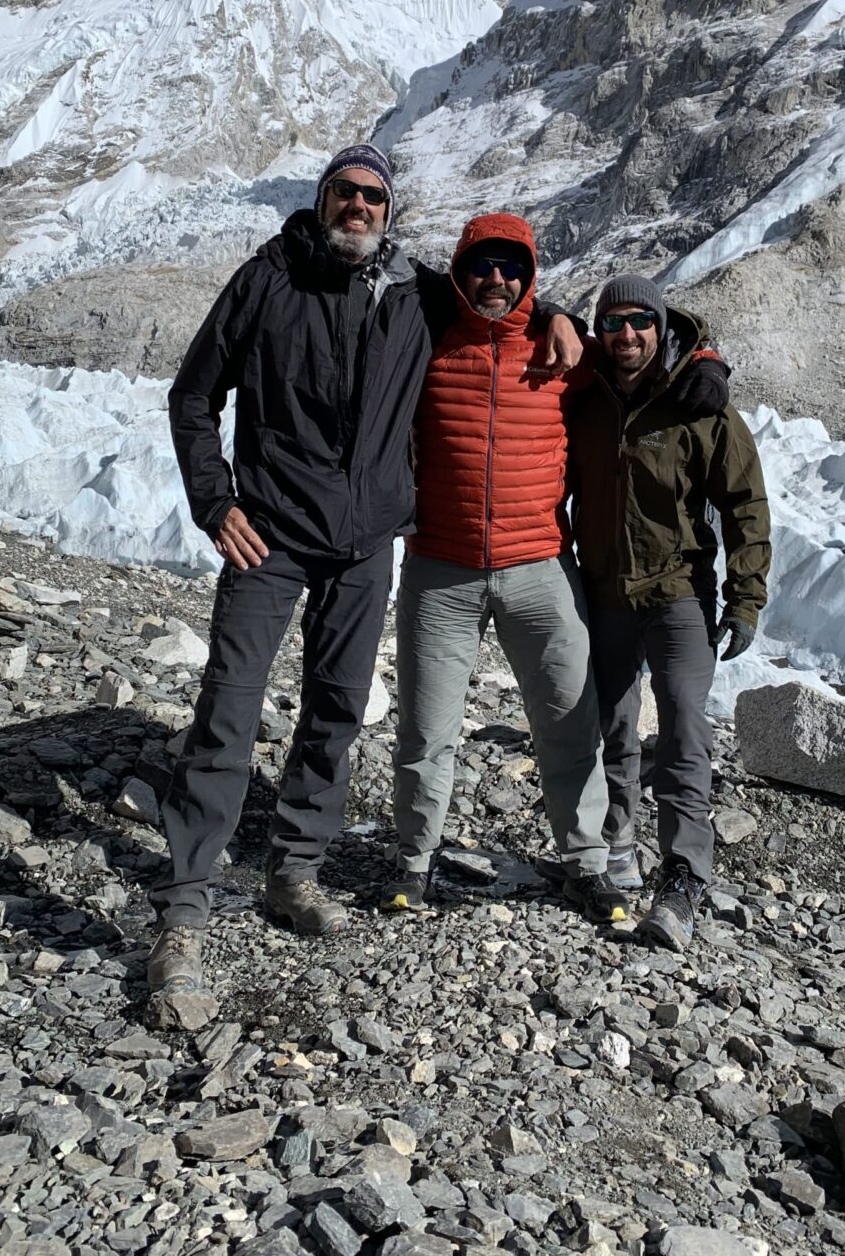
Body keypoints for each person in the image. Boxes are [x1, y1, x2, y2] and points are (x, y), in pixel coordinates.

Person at [147, 146, 580, 1006]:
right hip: (267, 535)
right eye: (343, 192)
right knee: (230, 707)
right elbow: (195, 397)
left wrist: (557, 311)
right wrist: (213, 501)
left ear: (389, 210)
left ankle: (293, 869)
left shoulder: (414, 293)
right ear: (320, 199)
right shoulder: (267, 278)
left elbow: (494, 305)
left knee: (337, 707)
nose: (357, 206)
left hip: (364, 543)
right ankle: (186, 908)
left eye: (372, 196)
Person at [383, 213, 632, 925]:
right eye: (483, 266)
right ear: (462, 274)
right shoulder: (426, 343)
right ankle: (412, 861)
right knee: (427, 728)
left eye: (512, 268)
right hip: (441, 568)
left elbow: (649, 362)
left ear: (530, 278)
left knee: (567, 721)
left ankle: (586, 865)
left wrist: (707, 363)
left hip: (540, 566)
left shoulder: (566, 353)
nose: (497, 279)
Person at [567, 274, 770, 951]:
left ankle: (684, 873)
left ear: (660, 327)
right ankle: (618, 841)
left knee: (684, 726)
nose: (627, 335)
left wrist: (745, 597)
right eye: (613, 322)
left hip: (676, 593)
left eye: (640, 323)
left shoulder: (696, 402)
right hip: (601, 592)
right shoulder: (583, 396)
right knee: (611, 723)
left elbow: (745, 504)